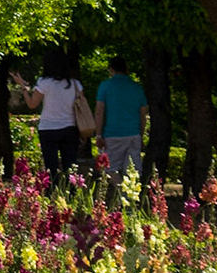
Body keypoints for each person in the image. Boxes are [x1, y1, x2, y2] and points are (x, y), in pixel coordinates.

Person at [14, 51, 89, 185]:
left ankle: (52, 197)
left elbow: (32, 104)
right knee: (71, 168)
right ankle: (71, 196)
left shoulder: (44, 83)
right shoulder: (75, 84)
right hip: (70, 128)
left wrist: (23, 87)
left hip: (48, 129)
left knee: (51, 169)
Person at [94, 55, 149, 201]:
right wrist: (141, 135)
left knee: (108, 168)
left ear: (111, 69)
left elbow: (99, 111)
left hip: (112, 134)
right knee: (132, 171)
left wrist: (98, 135)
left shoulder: (105, 86)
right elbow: (143, 115)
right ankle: (129, 199)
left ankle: (123, 194)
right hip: (133, 134)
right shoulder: (137, 88)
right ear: (127, 69)